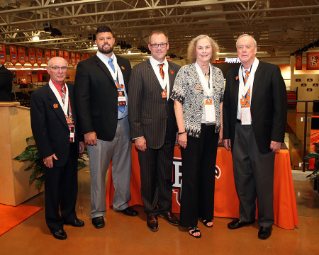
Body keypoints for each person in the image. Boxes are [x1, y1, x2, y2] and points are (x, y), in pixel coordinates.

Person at [223, 34, 287, 240]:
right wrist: (227, 134)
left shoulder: (270, 71)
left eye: (247, 47)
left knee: (263, 179)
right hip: (238, 131)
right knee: (242, 178)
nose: (243, 50)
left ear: (255, 49)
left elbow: (280, 107)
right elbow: (229, 107)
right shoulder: (232, 74)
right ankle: (246, 216)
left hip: (261, 134)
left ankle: (266, 221)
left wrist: (277, 137)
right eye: (240, 47)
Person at [74, 25, 138, 229]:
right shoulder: (86, 66)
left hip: (125, 123)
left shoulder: (125, 64)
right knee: (98, 171)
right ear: (96, 42)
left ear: (114, 40)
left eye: (108, 38)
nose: (105, 41)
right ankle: (98, 211)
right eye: (101, 39)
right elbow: (81, 101)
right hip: (99, 129)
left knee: (122, 167)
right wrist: (87, 130)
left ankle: (120, 202)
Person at [171, 35, 224, 238]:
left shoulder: (218, 73)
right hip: (191, 132)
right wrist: (182, 131)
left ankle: (205, 213)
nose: (204, 51)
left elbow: (219, 101)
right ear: (194, 51)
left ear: (212, 51)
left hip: (212, 130)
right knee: (191, 177)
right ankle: (190, 221)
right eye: (200, 48)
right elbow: (177, 102)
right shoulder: (185, 72)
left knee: (207, 175)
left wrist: (222, 128)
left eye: (207, 48)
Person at [128, 30, 180, 232]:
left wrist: (179, 130)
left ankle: (166, 209)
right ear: (149, 47)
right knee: (148, 176)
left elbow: (178, 103)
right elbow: (134, 105)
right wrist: (137, 134)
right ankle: (150, 211)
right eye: (155, 44)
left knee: (166, 174)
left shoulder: (177, 69)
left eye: (162, 44)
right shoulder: (139, 70)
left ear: (168, 46)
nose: (159, 47)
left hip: (169, 132)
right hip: (147, 135)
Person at [30, 57, 85, 240]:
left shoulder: (72, 89)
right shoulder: (40, 95)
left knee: (70, 186)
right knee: (53, 189)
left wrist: (80, 139)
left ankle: (69, 216)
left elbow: (77, 117)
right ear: (48, 70)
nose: (60, 71)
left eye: (63, 67)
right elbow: (39, 127)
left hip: (71, 146)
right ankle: (54, 223)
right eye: (56, 68)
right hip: (52, 151)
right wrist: (45, 152)